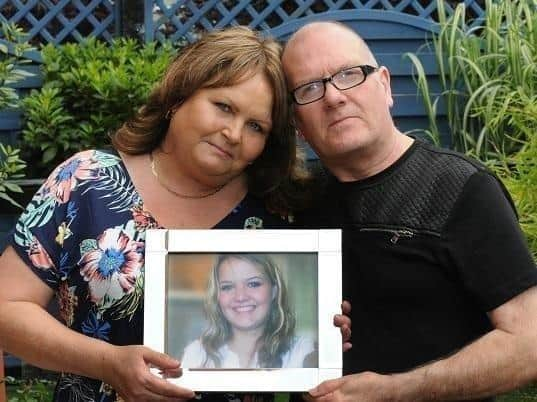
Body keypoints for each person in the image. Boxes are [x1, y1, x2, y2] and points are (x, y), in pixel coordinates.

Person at [0, 26, 350, 402]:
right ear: (178, 97)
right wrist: (108, 362)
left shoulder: (277, 211)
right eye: (223, 106)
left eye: (255, 126)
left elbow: (289, 339)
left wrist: (323, 337)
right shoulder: (86, 182)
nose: (233, 133)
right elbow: (7, 309)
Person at [281, 21, 537, 402]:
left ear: (384, 85)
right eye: (309, 88)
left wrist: (393, 392)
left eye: (349, 75)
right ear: (297, 124)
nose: (333, 97)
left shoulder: (460, 188)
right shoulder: (297, 200)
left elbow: (529, 343)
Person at [181, 253, 316, 369]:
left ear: (274, 291)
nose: (240, 297)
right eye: (227, 287)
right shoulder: (196, 354)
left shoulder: (302, 351)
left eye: (253, 284)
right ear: (217, 296)